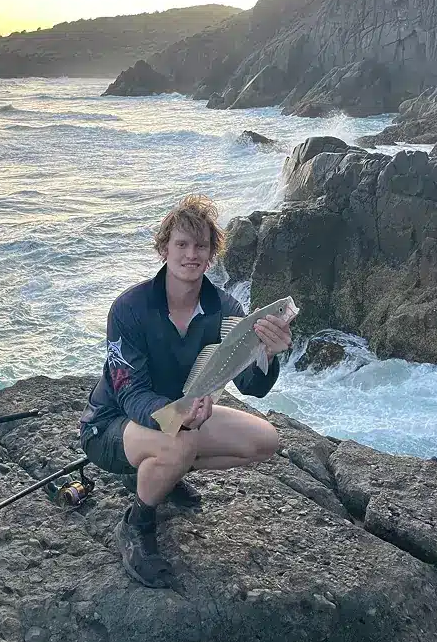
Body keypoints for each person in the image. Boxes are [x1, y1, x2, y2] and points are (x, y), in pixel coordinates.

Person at [79, 194, 294, 588]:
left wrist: (270, 354)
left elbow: (253, 386)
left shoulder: (225, 308)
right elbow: (129, 392)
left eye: (201, 246)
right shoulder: (129, 308)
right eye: (181, 244)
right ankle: (137, 523)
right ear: (165, 248)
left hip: (181, 415)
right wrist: (176, 417)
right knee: (179, 444)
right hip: (112, 425)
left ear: (212, 254)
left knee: (266, 441)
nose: (191, 254)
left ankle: (162, 472)